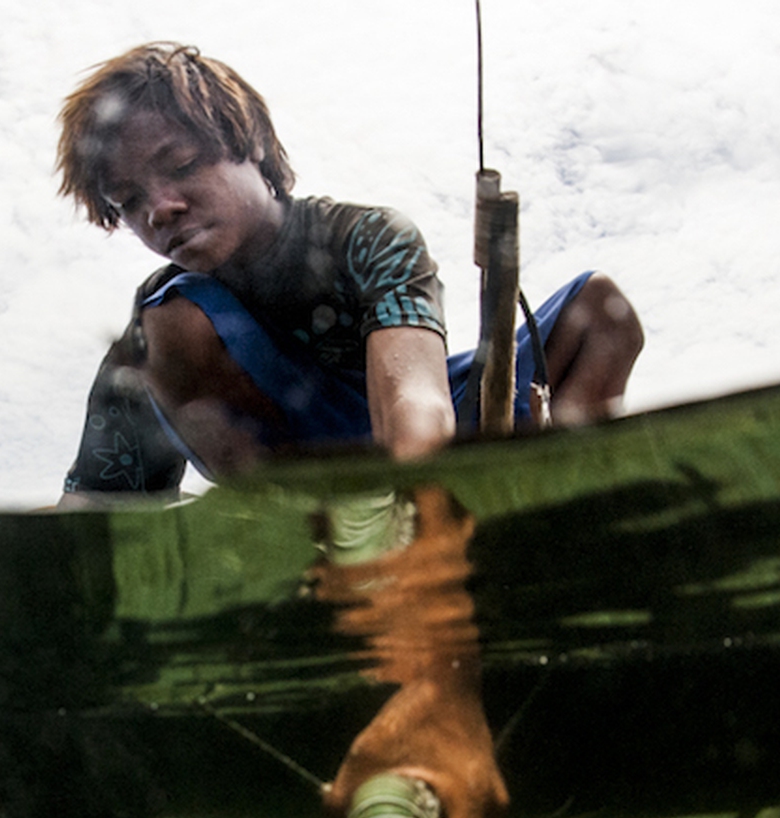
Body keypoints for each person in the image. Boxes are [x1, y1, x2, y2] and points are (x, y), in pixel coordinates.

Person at [54, 41, 644, 506]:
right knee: (166, 327)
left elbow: (416, 399)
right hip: (303, 478)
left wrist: (423, 503)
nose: (158, 209)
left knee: (598, 311)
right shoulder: (153, 333)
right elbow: (91, 510)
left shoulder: (366, 238)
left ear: (252, 145)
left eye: (181, 164)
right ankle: (303, 533)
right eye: (128, 201)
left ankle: (547, 506)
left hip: (418, 434)